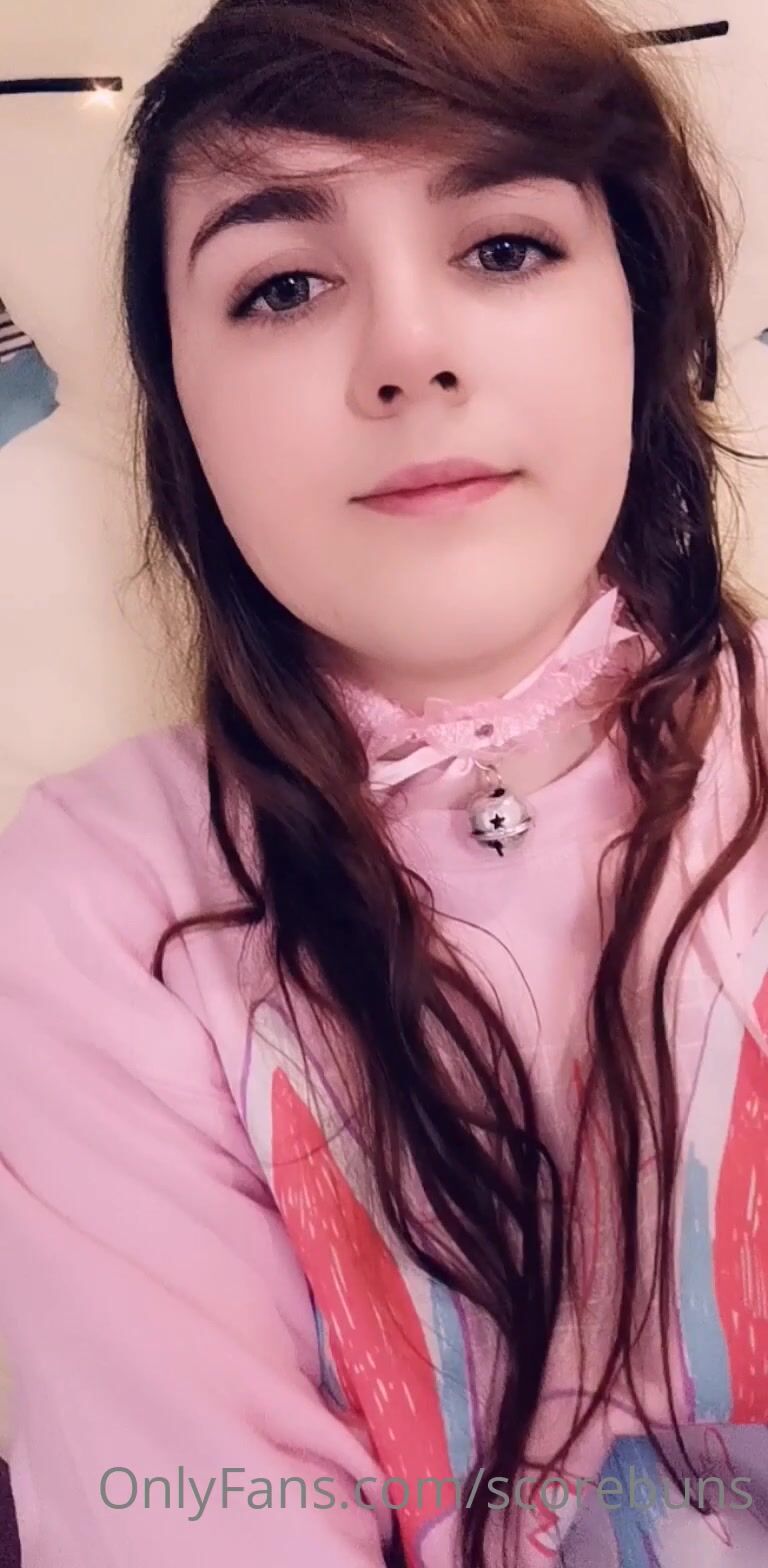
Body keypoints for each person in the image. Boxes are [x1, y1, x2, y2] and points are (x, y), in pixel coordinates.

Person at [1, 0, 767, 1563]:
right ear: (183, 412)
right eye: (283, 285)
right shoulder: (97, 907)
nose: (412, 352)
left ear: (641, 312)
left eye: (506, 247)